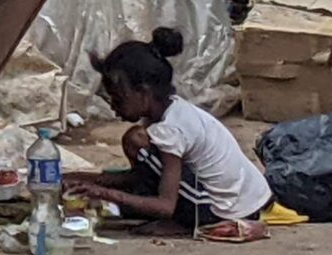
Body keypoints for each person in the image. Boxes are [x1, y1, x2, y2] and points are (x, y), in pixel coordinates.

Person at [64, 26, 270, 242]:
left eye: (119, 99)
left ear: (144, 93)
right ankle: (154, 207)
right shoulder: (170, 110)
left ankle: (183, 222)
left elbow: (165, 205)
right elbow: (147, 176)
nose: (114, 107)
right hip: (245, 199)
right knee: (136, 142)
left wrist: (105, 193)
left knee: (139, 148)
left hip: (227, 208)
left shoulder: (170, 130)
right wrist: (91, 180)